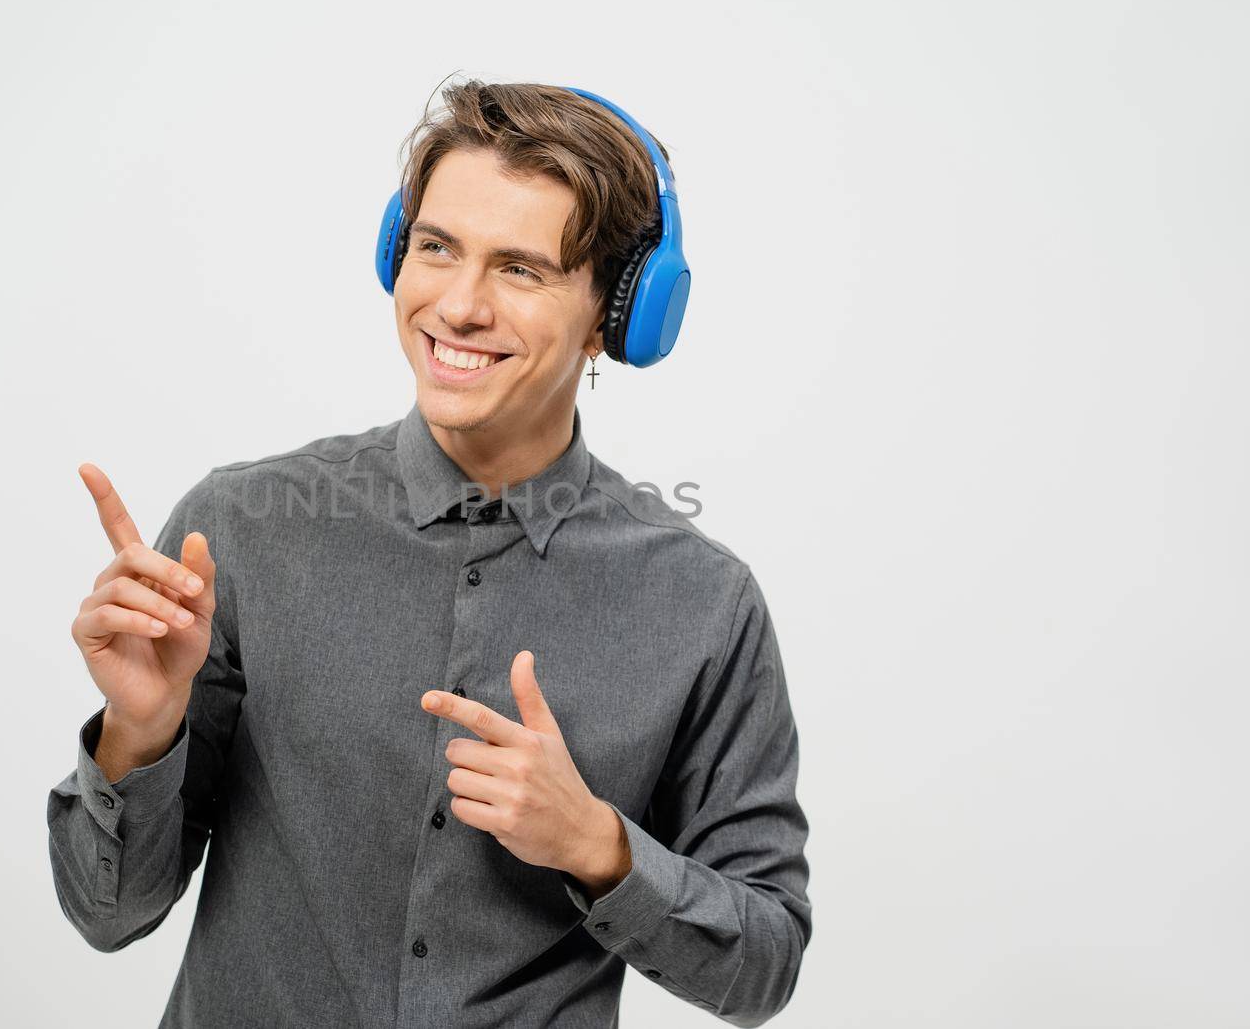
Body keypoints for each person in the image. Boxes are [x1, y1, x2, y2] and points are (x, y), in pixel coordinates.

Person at [47, 79, 812, 1028]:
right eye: (437, 248)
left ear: (619, 319)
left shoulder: (705, 603)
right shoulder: (240, 528)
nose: (458, 306)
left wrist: (600, 846)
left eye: (521, 270)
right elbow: (106, 912)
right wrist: (140, 735)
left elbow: (765, 962)